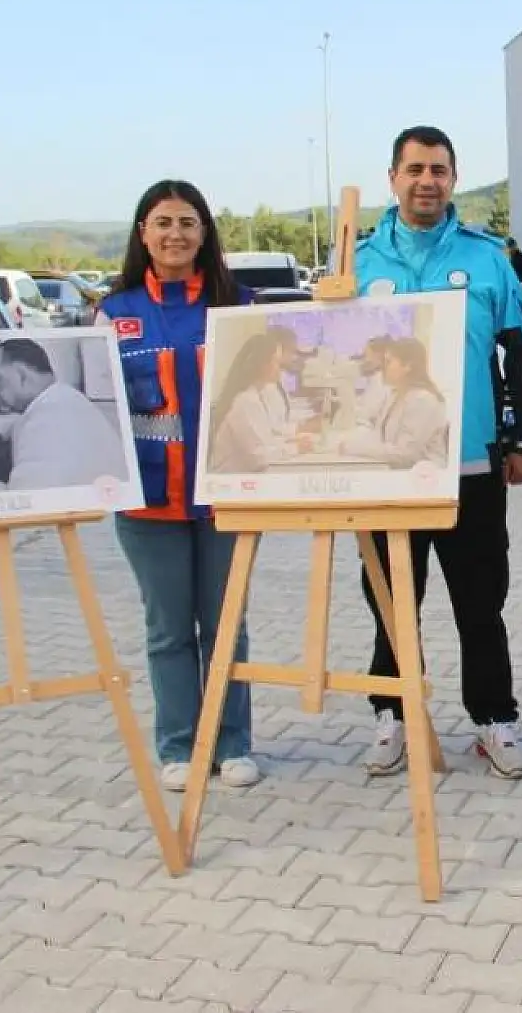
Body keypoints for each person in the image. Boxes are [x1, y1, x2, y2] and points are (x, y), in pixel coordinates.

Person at [353, 125, 522, 780]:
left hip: (469, 463)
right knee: (390, 599)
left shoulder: (487, 258)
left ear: (453, 179)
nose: (426, 180)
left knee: (480, 598)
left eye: (438, 169)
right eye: (414, 169)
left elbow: (521, 350)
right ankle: (393, 713)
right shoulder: (357, 263)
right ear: (393, 177)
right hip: (385, 467)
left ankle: (494, 717)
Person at [96, 181, 260, 792]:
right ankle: (178, 745)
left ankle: (234, 741)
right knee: (167, 628)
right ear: (143, 232)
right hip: (147, 500)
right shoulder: (114, 312)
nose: (175, 234)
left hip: (227, 495)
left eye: (187, 222)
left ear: (205, 233)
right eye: (162, 222)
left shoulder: (239, 307)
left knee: (226, 625)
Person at [0, 339, 131, 494]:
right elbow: (20, 423)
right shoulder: (66, 399)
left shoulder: (44, 423)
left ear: (22, 375)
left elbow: (24, 502)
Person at [326, 337, 450, 467]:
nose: (384, 367)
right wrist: (333, 444)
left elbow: (405, 454)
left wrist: (352, 448)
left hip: (423, 476)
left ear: (408, 366)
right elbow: (378, 437)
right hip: (396, 469)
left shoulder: (423, 401)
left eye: (389, 362)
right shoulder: (395, 395)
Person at [206, 333, 317, 473]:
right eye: (276, 361)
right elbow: (259, 457)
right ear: (263, 365)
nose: (280, 367)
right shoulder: (245, 401)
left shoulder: (254, 395)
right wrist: (296, 448)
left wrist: (290, 443)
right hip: (231, 483)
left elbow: (264, 440)